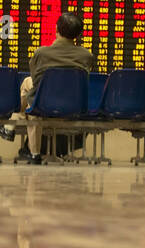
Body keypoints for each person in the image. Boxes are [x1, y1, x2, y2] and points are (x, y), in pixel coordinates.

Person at [13, 11, 94, 163]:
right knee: (30, 85)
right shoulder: (87, 56)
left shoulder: (41, 53)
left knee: (27, 83)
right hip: (74, 106)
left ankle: (18, 121)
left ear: (56, 29)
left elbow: (36, 81)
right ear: (78, 35)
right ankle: (17, 118)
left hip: (44, 105)